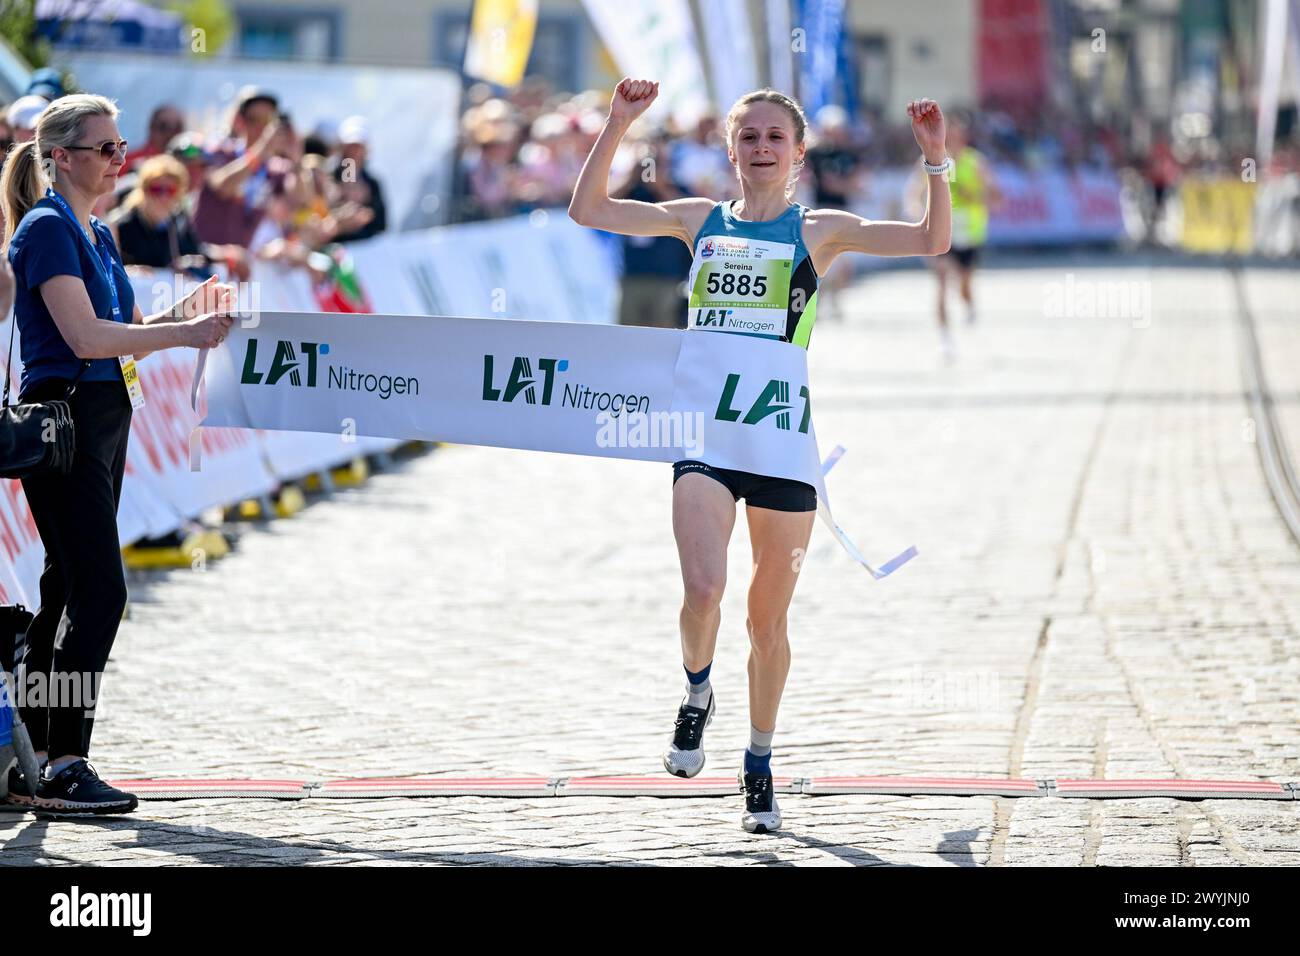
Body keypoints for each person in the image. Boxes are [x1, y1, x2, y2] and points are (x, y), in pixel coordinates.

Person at [569, 79, 950, 833]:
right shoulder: (695, 220)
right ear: (732, 150)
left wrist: (935, 161)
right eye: (750, 137)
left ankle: (759, 761)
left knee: (765, 621)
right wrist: (617, 124)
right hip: (704, 437)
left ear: (799, 154)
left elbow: (929, 241)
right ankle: (696, 691)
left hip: (778, 443)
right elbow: (589, 211)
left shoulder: (822, 230)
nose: (762, 149)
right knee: (703, 590)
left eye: (777, 138)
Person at [0, 93, 234, 815]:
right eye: (106, 148)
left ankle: (31, 758)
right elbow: (86, 339)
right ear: (61, 156)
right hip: (67, 417)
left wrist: (183, 318)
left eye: (121, 146)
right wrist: (180, 339)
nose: (119, 160)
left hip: (103, 416)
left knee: (66, 592)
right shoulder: (46, 227)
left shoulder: (95, 232)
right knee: (101, 591)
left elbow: (123, 331)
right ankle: (66, 761)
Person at [928, 113, 998, 361]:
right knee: (942, 280)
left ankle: (968, 303)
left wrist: (976, 197)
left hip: (970, 232)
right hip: (941, 232)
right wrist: (916, 207)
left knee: (964, 283)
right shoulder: (932, 159)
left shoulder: (976, 162)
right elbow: (916, 190)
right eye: (950, 135)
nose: (953, 139)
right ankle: (945, 339)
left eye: (958, 135)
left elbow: (994, 195)